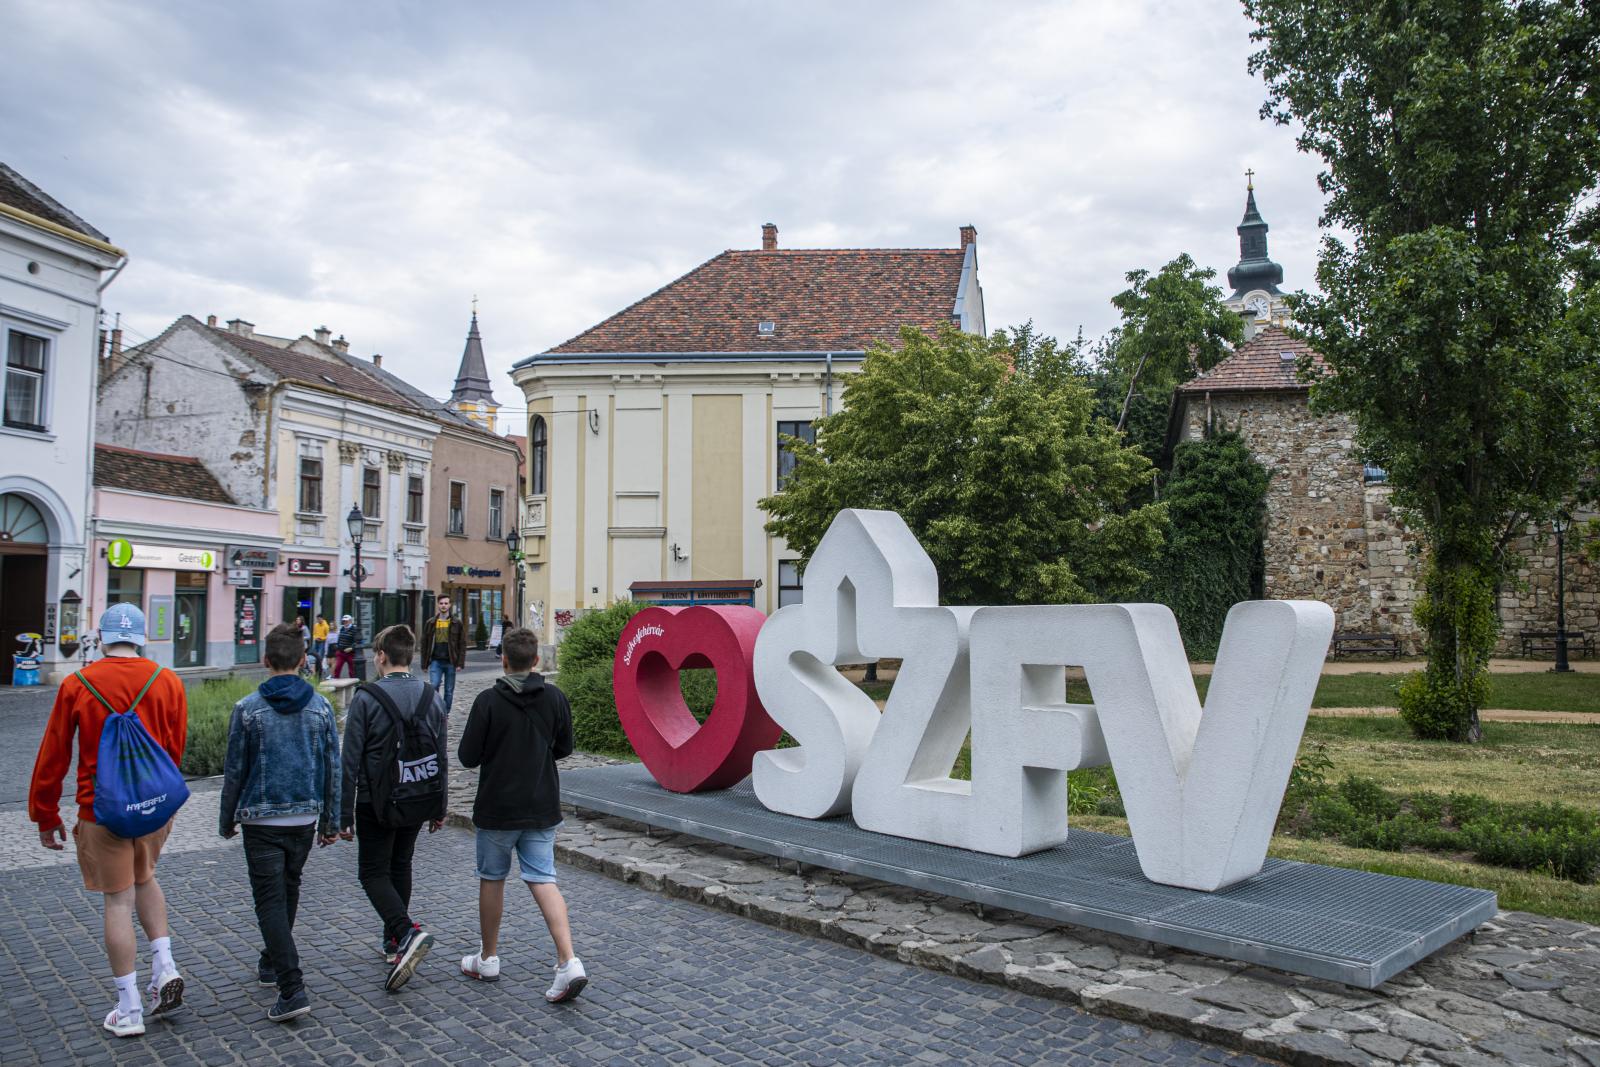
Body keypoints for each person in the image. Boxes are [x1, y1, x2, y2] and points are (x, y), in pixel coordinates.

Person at [28, 603, 189, 1038]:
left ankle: (129, 1007)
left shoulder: (78, 684)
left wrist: (45, 813)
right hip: (154, 807)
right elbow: (174, 750)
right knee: (146, 876)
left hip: (101, 811)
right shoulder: (168, 681)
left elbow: (54, 753)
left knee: (118, 901)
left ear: (101, 638)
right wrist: (159, 803)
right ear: (141, 638)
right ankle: (164, 964)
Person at [219, 623, 342, 1023]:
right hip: (304, 817)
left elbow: (234, 770)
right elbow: (332, 768)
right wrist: (330, 820)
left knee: (271, 899)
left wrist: (227, 818)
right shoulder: (321, 707)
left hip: (262, 818)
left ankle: (292, 987)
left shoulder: (248, 708)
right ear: (304, 661)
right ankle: (272, 960)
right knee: (287, 889)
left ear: (266, 661)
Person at [458, 627, 587, 1003]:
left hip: (497, 806)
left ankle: (488, 957)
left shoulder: (487, 702)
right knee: (544, 878)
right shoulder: (555, 697)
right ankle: (568, 961)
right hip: (541, 802)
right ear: (536, 661)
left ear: (503, 660)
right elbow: (565, 747)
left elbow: (467, 756)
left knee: (492, 878)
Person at [340, 624, 449, 992]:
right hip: (419, 794)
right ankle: (392, 942)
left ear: (382, 656)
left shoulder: (366, 697)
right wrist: (440, 805)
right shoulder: (431, 695)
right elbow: (442, 755)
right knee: (400, 864)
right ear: (412, 656)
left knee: (372, 871)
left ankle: (404, 933)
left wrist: (343, 815)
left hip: (377, 799)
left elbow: (350, 761)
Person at [419, 594, 466, 714]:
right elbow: (424, 644)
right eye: (441, 603)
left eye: (446, 603)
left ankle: (445, 713)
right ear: (438, 605)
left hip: (451, 661)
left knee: (449, 690)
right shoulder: (430, 623)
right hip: (436, 661)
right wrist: (424, 664)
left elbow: (462, 644)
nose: (443, 606)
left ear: (450, 605)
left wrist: (460, 663)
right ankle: (436, 710)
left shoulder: (457, 623)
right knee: (434, 686)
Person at [331, 614, 359, 679]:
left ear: (350, 621)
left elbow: (356, 641)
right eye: (344, 621)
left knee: (351, 670)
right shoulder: (342, 628)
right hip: (341, 652)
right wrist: (338, 647)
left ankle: (353, 684)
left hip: (350, 653)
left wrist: (351, 648)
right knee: (337, 667)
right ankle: (336, 682)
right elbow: (339, 639)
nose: (345, 622)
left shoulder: (354, 630)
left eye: (346, 621)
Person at [311, 614, 331, 679]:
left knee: (319, 655)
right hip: (316, 641)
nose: (318, 620)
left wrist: (321, 638)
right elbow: (314, 633)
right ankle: (315, 668)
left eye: (319, 619)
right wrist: (316, 637)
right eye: (317, 619)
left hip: (322, 642)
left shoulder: (326, 626)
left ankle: (320, 669)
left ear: (322, 619)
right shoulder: (316, 625)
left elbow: (327, 636)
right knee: (313, 654)